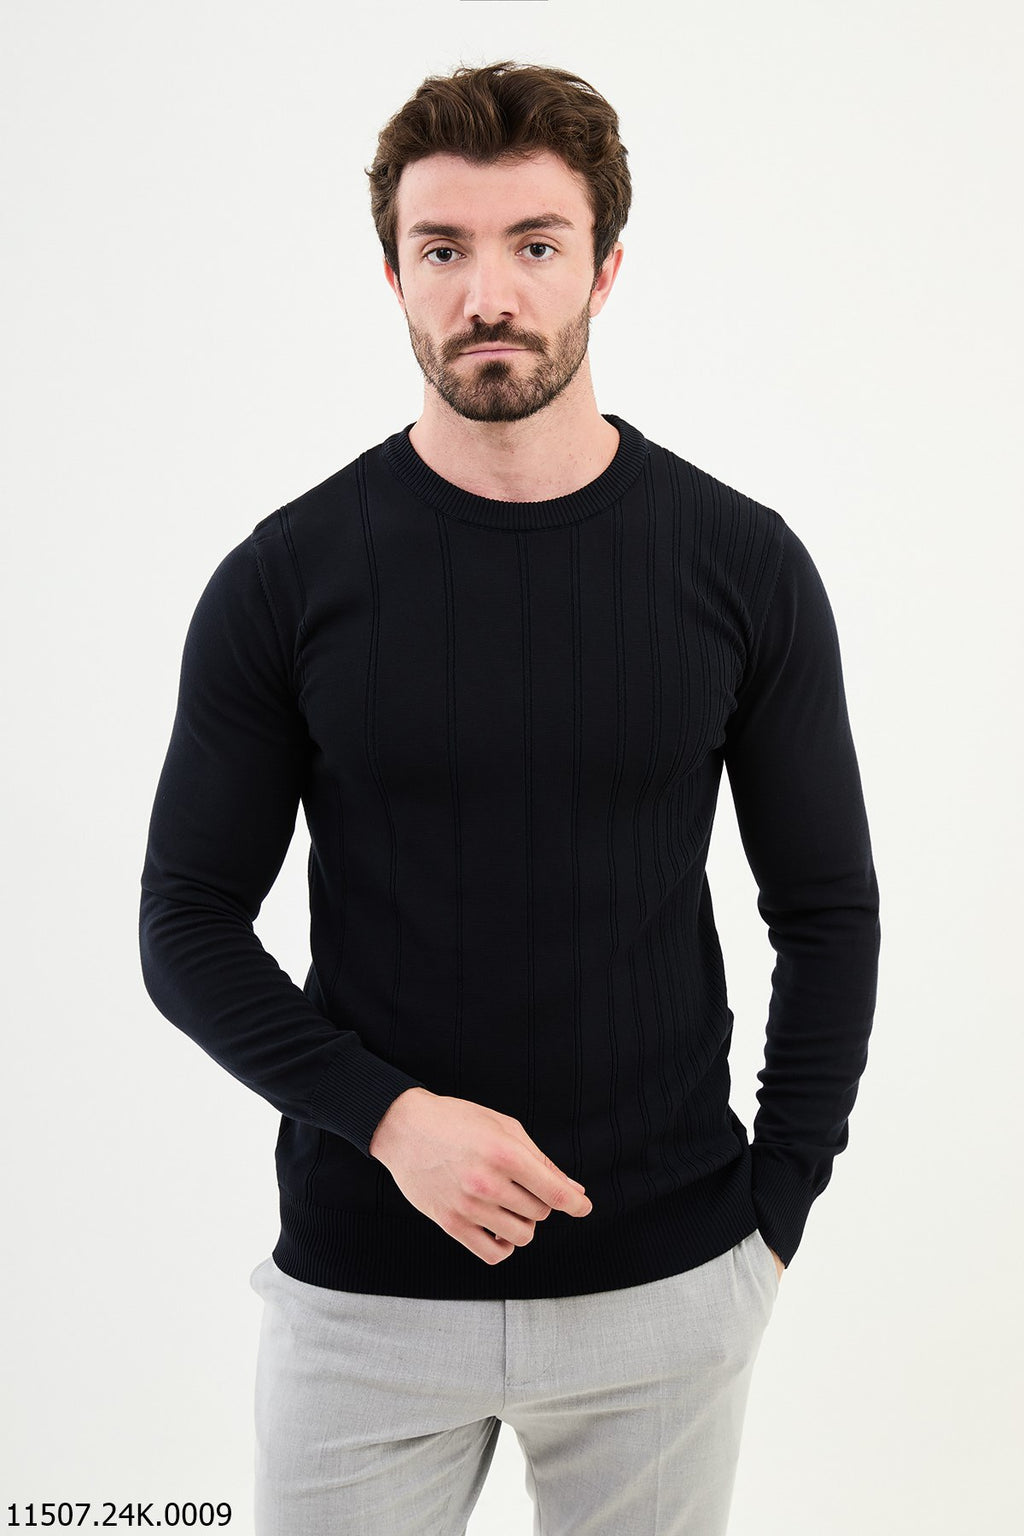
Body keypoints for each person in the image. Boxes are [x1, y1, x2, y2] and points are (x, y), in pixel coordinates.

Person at [139, 59, 880, 1536]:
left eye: (536, 244)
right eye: (444, 249)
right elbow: (187, 923)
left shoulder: (742, 566)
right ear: (395, 277)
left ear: (604, 269)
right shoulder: (284, 580)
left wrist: (777, 1213)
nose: (489, 293)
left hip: (668, 1292)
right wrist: (389, 1120)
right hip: (364, 1297)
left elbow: (827, 909)